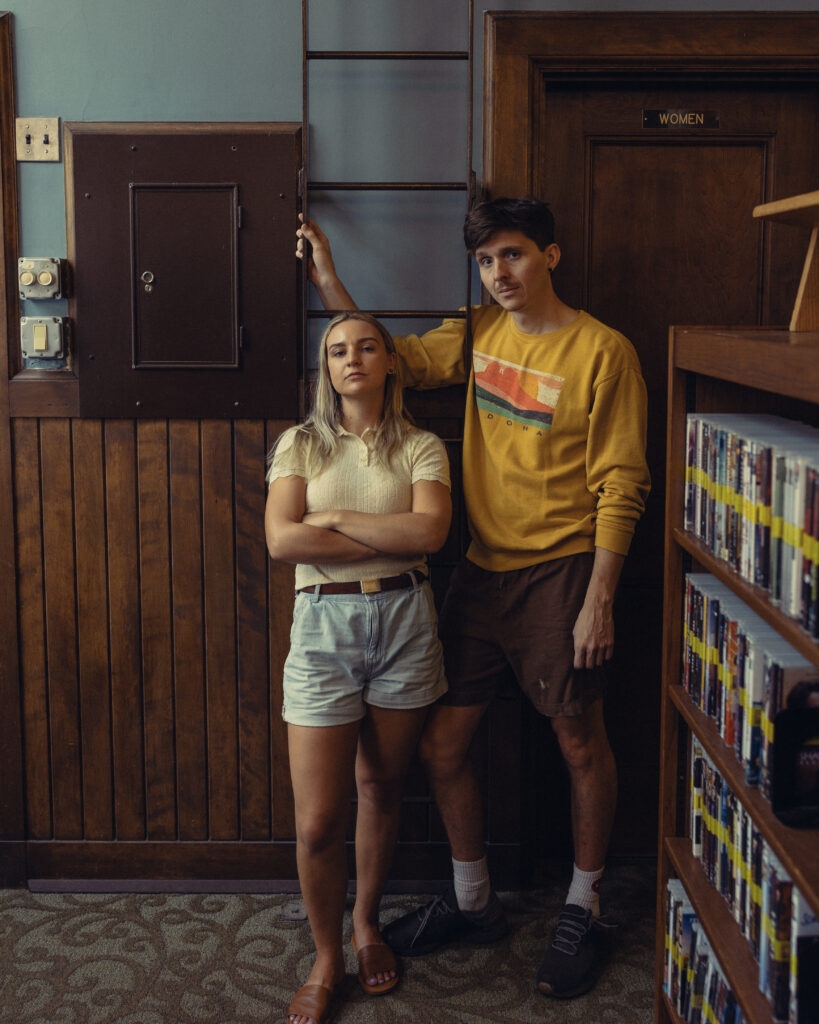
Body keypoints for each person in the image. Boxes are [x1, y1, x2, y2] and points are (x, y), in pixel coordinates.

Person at [296, 197, 650, 999]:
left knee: (579, 744)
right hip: (479, 574)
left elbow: (622, 481)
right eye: (487, 261)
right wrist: (326, 274)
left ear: (549, 256)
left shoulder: (603, 352)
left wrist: (599, 598)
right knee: (441, 746)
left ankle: (582, 905)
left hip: (563, 572)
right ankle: (473, 900)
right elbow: (378, 356)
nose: (499, 274)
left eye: (514, 256)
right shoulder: (477, 331)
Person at [265, 310, 452, 1024]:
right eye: (337, 350)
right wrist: (381, 536)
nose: (352, 359)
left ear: (389, 361)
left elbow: (428, 532)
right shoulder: (300, 445)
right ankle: (325, 953)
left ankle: (366, 926)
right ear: (326, 368)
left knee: (380, 785)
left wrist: (334, 520)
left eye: (366, 347)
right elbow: (283, 541)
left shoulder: (421, 446)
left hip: (406, 621)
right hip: (322, 628)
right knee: (317, 821)